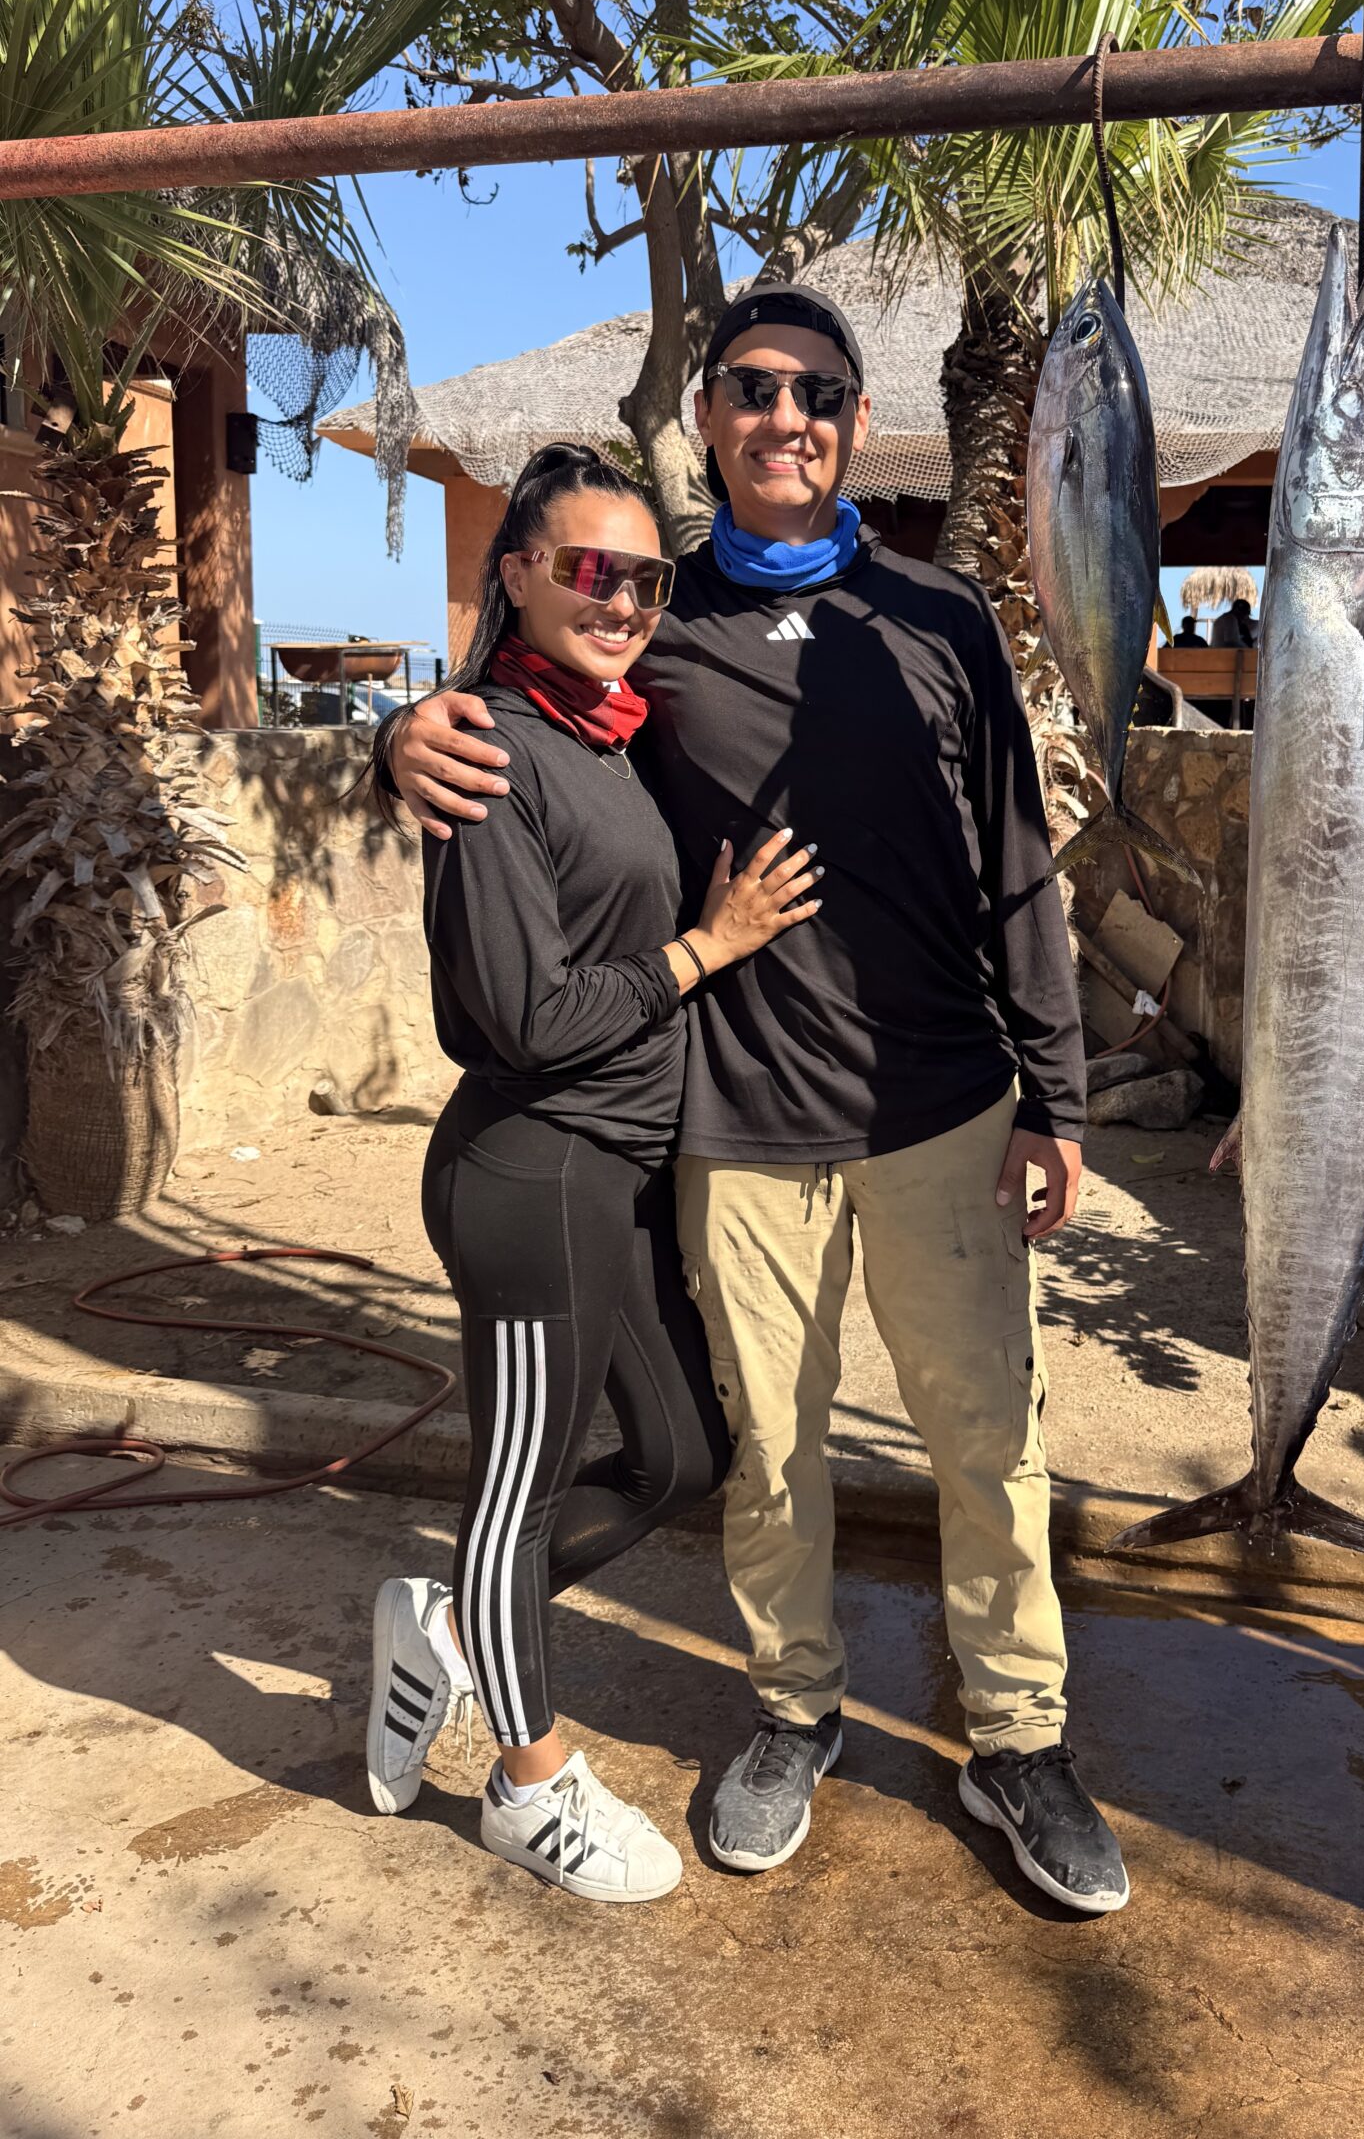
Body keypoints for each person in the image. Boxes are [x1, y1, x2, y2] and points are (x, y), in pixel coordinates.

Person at [380, 284, 1130, 1915]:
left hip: (939, 1107)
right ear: (710, 419)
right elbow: (524, 714)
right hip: (742, 1123)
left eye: (817, 392)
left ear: (858, 426)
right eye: (752, 389)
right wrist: (398, 732)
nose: (784, 416)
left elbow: (1019, 865)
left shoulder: (937, 621)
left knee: (988, 1446)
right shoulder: (651, 618)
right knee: (771, 1460)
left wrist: (1055, 1098)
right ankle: (792, 1714)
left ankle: (1018, 1740)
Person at [365, 441, 820, 1904]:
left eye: (643, 577)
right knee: (517, 1492)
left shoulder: (605, 731)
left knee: (684, 1454)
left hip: (618, 1168)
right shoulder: (493, 744)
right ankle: (526, 1777)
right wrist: (708, 946)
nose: (620, 598)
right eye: (586, 569)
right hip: (534, 1172)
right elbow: (522, 1016)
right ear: (517, 576)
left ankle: (444, 1627)